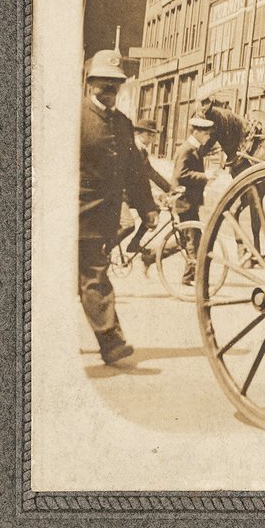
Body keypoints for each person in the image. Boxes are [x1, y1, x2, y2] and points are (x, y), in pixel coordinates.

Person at [79, 50, 156, 366]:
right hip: (78, 213)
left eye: (115, 85)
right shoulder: (76, 118)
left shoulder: (123, 124)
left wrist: (146, 207)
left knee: (87, 277)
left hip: (106, 217)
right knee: (94, 275)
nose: (109, 90)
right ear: (91, 83)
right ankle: (111, 341)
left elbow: (135, 171)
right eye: (104, 84)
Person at [172, 116, 216, 285]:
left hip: (190, 201)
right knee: (192, 239)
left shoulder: (194, 148)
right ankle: (193, 277)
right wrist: (205, 176)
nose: (208, 136)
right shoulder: (187, 149)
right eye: (205, 133)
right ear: (196, 131)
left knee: (192, 238)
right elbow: (181, 175)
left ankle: (188, 275)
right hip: (184, 201)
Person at [123, 120, 171, 267]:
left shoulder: (141, 150)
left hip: (132, 193)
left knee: (154, 209)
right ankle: (104, 252)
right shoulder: (130, 148)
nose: (152, 139)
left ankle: (134, 244)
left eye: (153, 136)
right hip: (121, 193)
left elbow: (150, 172)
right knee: (127, 225)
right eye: (149, 135)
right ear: (138, 133)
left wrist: (169, 189)